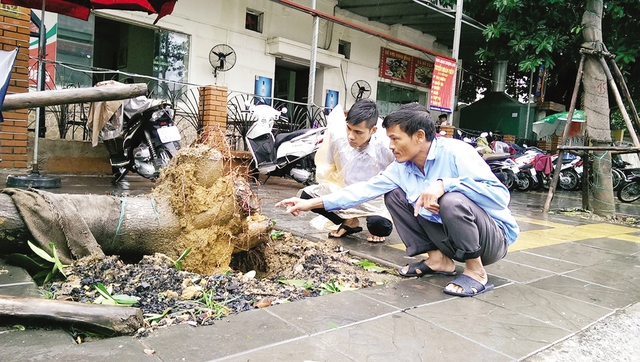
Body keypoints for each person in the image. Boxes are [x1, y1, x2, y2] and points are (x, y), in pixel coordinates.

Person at [276, 103, 519, 297]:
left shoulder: (456, 152)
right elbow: (362, 191)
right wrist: (310, 204)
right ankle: (438, 261)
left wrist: (445, 185)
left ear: (419, 136)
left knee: (452, 200)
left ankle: (476, 273)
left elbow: (500, 196)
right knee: (394, 195)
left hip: (491, 241)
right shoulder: (402, 167)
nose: (390, 146)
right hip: (451, 239)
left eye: (395, 139)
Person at [300, 99, 395, 243]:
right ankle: (350, 221)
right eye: (349, 128)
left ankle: (375, 225)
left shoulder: (386, 146)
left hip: (375, 199)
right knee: (307, 196)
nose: (351, 136)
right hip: (346, 193)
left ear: (373, 130)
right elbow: (329, 166)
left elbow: (396, 178)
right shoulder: (338, 137)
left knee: (378, 226)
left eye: (358, 132)